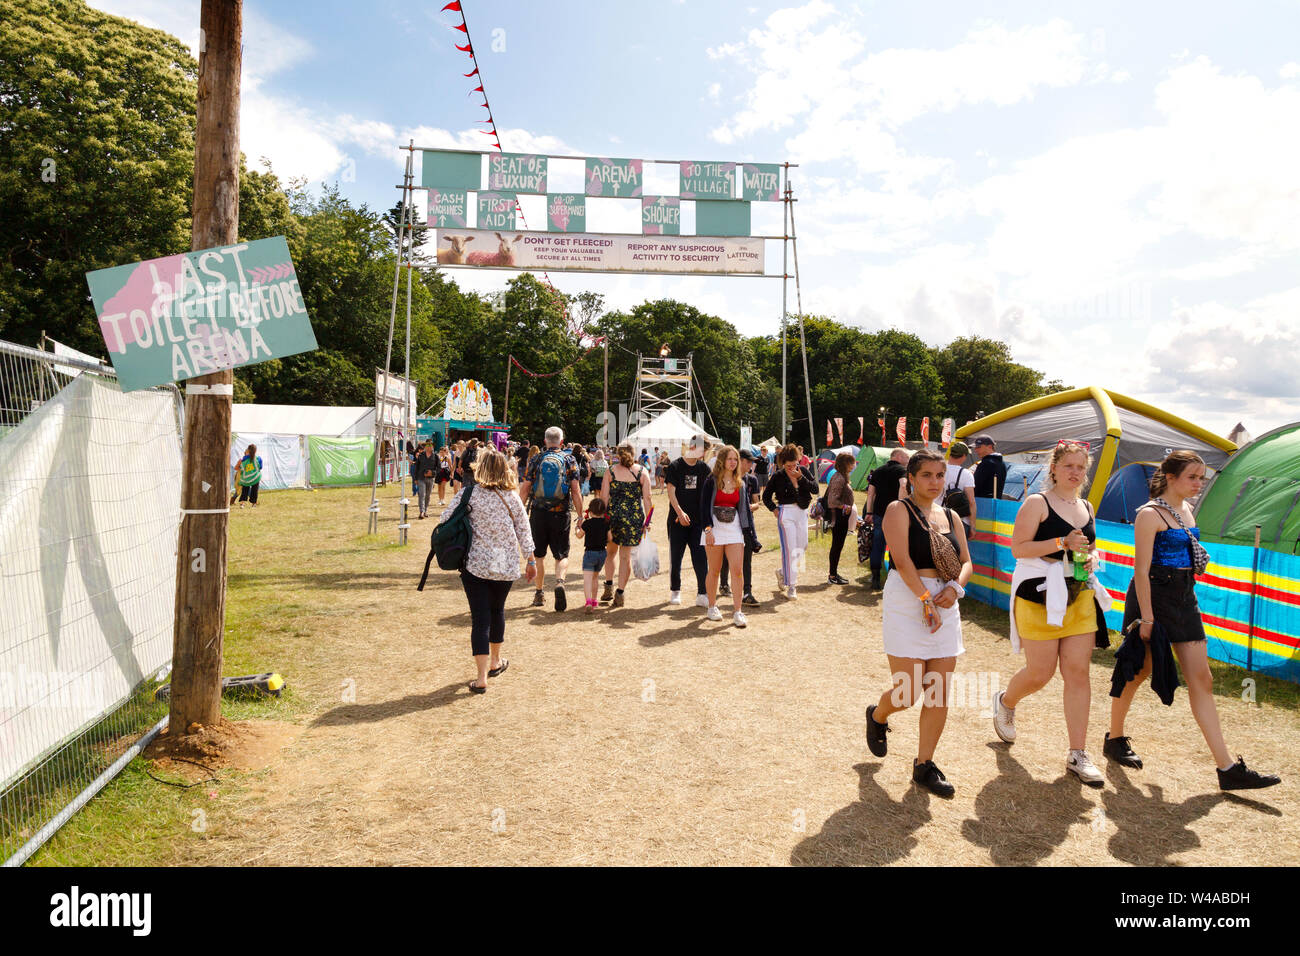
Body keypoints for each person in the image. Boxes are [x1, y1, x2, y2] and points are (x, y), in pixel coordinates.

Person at [1107, 451, 1281, 791]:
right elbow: (1140, 571)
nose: (1199, 483)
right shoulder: (1150, 514)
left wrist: (1187, 596)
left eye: (1201, 476)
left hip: (1185, 599)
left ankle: (1227, 768)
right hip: (1152, 597)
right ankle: (1114, 738)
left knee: (1202, 679)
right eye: (1193, 477)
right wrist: (1146, 618)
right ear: (1170, 477)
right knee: (1138, 670)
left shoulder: (1186, 510)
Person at [993, 440, 1110, 787]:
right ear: (1054, 469)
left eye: (1081, 467)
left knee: (1077, 673)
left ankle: (1078, 753)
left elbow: (1088, 546)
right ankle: (1006, 701)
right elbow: (1019, 548)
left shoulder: (1086, 505)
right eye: (1069, 466)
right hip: (1038, 595)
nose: (1075, 473)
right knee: (1040, 673)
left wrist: (1090, 557)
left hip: (1078, 595)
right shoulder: (1037, 502)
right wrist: (1060, 543)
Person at [865, 449, 972, 797]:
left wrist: (955, 589)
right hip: (909, 599)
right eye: (926, 475)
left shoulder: (952, 515)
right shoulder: (899, 510)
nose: (935, 482)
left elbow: (966, 561)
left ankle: (924, 764)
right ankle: (879, 715)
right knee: (908, 691)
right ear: (911, 478)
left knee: (938, 690)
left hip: (946, 600)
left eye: (940, 475)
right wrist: (924, 599)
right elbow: (901, 557)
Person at [437, 448, 535, 694]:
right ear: (505, 470)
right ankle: (495, 661)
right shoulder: (511, 497)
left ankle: (481, 678)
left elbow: (443, 520)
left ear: (479, 469)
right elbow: (524, 529)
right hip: (504, 561)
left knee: (480, 618)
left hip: (476, 562)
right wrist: (531, 560)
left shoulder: (468, 494)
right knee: (497, 610)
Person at [518, 426, 583, 612]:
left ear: (545, 441)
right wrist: (580, 516)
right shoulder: (569, 459)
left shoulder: (537, 458)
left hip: (538, 513)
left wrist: (520, 511)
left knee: (538, 555)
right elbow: (576, 491)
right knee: (561, 554)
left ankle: (539, 592)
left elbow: (525, 487)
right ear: (562, 442)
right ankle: (560, 582)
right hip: (560, 512)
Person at [700, 445, 752, 627]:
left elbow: (745, 511)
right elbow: (704, 507)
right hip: (714, 527)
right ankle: (712, 606)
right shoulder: (711, 481)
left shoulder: (741, 483)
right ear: (722, 460)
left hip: (734, 527)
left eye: (735, 459)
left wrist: (750, 535)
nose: (733, 462)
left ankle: (738, 611)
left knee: (737, 570)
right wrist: (708, 530)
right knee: (714, 569)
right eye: (730, 458)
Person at [600, 442, 653, 606]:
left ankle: (608, 585)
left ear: (617, 454)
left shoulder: (610, 471)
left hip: (613, 517)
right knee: (625, 558)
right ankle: (620, 593)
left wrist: (602, 519)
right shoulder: (642, 472)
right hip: (633, 518)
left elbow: (603, 498)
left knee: (610, 553)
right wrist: (648, 521)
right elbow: (648, 499)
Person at [762, 443, 818, 599]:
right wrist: (774, 509)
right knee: (790, 549)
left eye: (794, 464)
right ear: (782, 464)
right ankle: (792, 585)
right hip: (786, 512)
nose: (792, 468)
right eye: (788, 466)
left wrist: (800, 478)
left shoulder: (803, 471)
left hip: (802, 512)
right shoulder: (778, 476)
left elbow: (815, 489)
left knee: (802, 546)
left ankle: (782, 572)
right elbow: (766, 496)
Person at [664, 435, 713, 607]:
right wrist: (679, 513)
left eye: (705, 452)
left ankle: (702, 593)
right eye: (702, 450)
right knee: (676, 556)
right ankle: (675, 590)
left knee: (700, 557)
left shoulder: (704, 469)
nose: (703, 454)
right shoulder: (675, 466)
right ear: (692, 446)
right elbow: (671, 491)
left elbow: (709, 493)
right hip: (677, 520)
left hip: (698, 522)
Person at [720, 448, 761, 606]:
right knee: (725, 557)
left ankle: (747, 592)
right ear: (740, 461)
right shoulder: (727, 478)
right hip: (727, 524)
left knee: (747, 558)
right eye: (748, 461)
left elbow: (757, 502)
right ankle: (724, 584)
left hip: (746, 524)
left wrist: (748, 507)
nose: (751, 464)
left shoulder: (752, 480)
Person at [864, 449, 910, 590]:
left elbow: (870, 494)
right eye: (906, 457)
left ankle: (875, 577)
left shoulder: (877, 471)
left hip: (878, 513)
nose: (908, 460)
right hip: (895, 514)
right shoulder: (902, 471)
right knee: (895, 545)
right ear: (898, 456)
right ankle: (891, 577)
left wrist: (869, 512)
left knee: (878, 543)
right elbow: (903, 485)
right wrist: (902, 504)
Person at [575, 497, 613, 615]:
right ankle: (595, 601)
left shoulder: (587, 523)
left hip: (590, 553)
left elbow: (579, 535)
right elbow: (610, 538)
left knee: (587, 580)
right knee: (595, 578)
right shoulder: (606, 524)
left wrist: (577, 529)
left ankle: (588, 602)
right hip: (602, 553)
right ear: (603, 512)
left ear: (590, 512)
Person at [826, 452, 858, 585]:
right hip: (838, 517)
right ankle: (832, 576)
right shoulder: (839, 478)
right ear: (845, 464)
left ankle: (834, 574)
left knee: (837, 546)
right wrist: (845, 506)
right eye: (851, 462)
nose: (854, 465)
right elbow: (832, 501)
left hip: (841, 517)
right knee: (836, 546)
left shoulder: (840, 476)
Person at [943, 441, 977, 540]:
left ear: (950, 454)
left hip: (938, 516)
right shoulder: (966, 474)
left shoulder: (938, 469)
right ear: (964, 456)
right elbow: (971, 502)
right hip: (960, 520)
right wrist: (973, 526)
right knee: (959, 553)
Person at [971, 435, 1007, 500]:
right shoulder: (1002, 463)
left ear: (990, 446)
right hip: (995, 503)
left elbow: (974, 486)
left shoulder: (986, 463)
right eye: (975, 447)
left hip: (981, 502)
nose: (976, 450)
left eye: (978, 447)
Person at [233, 444, 263, 508]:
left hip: (246, 478)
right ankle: (254, 504)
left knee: (245, 490)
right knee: (255, 490)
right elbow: (260, 467)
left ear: (248, 450)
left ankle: (242, 504)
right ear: (255, 451)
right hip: (256, 477)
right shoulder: (259, 458)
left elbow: (238, 467)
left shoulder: (243, 459)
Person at [414, 441, 438, 519]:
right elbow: (416, 468)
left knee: (427, 495)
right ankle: (421, 512)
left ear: (433, 447)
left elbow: (439, 468)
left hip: (430, 479)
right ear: (425, 447)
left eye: (430, 445)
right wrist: (415, 478)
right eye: (427, 445)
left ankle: (425, 510)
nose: (429, 447)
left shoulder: (436, 456)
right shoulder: (421, 456)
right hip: (421, 478)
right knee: (422, 494)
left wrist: (433, 473)